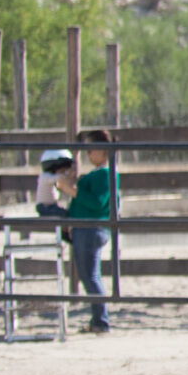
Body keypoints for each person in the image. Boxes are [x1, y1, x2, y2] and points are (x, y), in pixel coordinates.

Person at [62, 130, 117, 334]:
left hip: (91, 228)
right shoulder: (100, 174)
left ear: (103, 151)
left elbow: (97, 202)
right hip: (85, 228)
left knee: (90, 276)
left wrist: (70, 190)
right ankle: (98, 319)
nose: (88, 154)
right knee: (88, 275)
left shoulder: (104, 174)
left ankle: (101, 321)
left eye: (91, 149)